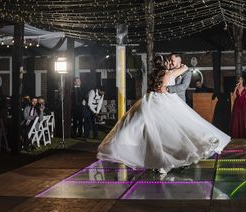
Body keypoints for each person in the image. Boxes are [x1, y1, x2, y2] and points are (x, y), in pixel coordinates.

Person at [97, 55, 231, 173]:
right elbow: (185, 68)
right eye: (168, 61)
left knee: (155, 132)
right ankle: (173, 158)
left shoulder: (154, 74)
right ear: (165, 64)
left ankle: (157, 159)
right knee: (177, 130)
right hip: (166, 101)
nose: (170, 63)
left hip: (151, 100)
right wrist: (178, 65)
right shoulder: (169, 74)